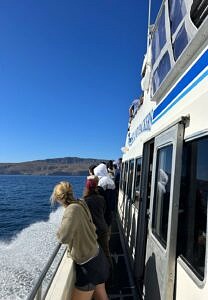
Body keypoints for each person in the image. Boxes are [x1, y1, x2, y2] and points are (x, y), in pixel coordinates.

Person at [50, 181, 109, 300]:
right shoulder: (80, 203)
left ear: (58, 198)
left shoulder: (71, 210)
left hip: (89, 266)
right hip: (98, 257)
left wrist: (58, 231)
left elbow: (63, 238)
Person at [83, 177, 112, 266]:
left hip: (93, 231)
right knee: (106, 252)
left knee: (94, 255)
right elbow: (103, 211)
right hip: (103, 227)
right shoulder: (101, 198)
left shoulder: (85, 201)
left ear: (87, 188)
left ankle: (100, 274)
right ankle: (111, 273)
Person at [93, 163, 117, 233]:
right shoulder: (108, 179)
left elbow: (100, 194)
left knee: (103, 229)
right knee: (108, 227)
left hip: (104, 210)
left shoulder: (103, 181)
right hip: (109, 209)